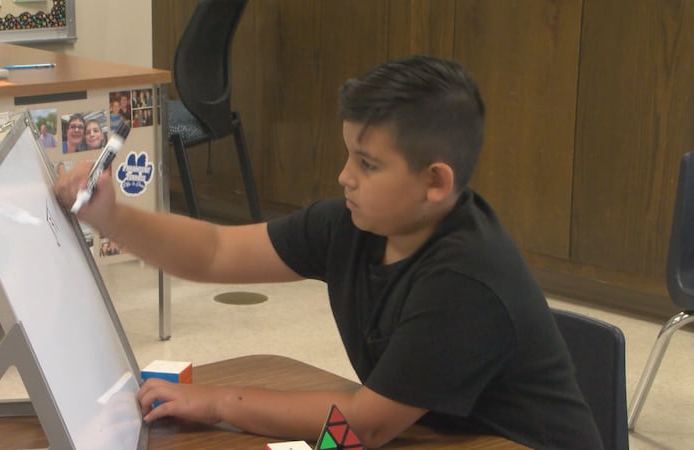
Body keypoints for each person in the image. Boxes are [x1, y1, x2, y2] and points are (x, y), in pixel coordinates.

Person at [54, 55, 602, 449]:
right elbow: (216, 251)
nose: (344, 177)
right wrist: (110, 215)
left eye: (367, 163)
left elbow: (368, 424)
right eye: (348, 155)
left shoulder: (466, 280)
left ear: (435, 183)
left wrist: (219, 402)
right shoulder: (354, 223)